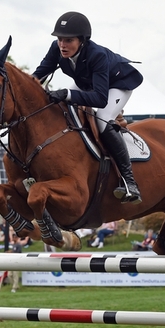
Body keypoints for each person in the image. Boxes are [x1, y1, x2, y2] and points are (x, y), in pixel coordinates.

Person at [32, 11, 143, 204]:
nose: (62, 45)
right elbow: (38, 75)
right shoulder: (56, 48)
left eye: (68, 40)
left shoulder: (96, 55)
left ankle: (129, 181)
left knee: (103, 120)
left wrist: (67, 94)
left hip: (117, 85)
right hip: (89, 83)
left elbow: (100, 98)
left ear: (82, 40)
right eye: (59, 39)